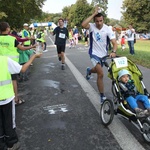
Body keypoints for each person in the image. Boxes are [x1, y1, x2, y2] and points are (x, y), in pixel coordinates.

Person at [0, 53, 42, 150]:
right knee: (9, 122)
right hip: (6, 98)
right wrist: (33, 57)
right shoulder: (4, 60)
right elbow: (22, 69)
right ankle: (11, 143)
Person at [81, 6, 117, 103]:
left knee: (97, 70)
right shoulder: (91, 26)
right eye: (97, 21)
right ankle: (102, 96)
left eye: (101, 21)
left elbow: (114, 43)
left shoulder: (108, 29)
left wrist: (113, 51)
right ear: (94, 21)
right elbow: (83, 24)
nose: (99, 23)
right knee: (100, 74)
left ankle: (89, 71)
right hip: (94, 54)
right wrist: (93, 13)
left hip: (104, 55)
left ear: (103, 20)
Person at [0, 22, 36, 106]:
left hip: (1, 64)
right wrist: (31, 47)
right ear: (8, 29)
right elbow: (22, 48)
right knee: (13, 81)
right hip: (11, 64)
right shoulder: (12, 39)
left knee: (3, 82)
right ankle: (15, 99)